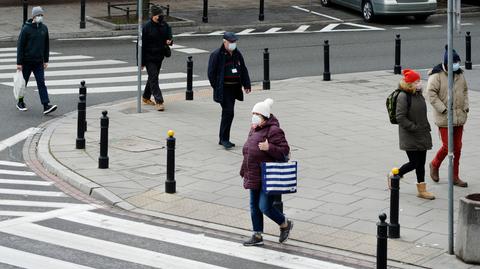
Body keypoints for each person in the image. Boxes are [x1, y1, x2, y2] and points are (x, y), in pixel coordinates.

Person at [240, 98, 293, 246]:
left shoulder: (274, 130)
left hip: (267, 176)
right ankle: (257, 235)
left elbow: (285, 151)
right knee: (253, 205)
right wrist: (244, 170)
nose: (254, 117)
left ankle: (284, 223)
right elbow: (248, 150)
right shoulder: (254, 128)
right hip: (253, 173)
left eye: (257, 114)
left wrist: (269, 148)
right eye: (253, 114)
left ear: (264, 116)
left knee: (264, 206)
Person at [388, 69, 435, 200]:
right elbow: (400, 117)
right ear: (409, 84)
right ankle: (395, 173)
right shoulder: (404, 96)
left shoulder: (417, 94)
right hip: (410, 135)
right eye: (417, 81)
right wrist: (413, 127)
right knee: (414, 162)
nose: (420, 83)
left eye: (419, 81)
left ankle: (422, 190)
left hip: (422, 133)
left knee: (421, 164)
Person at [426, 47, 469, 187]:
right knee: (448, 146)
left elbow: (465, 90)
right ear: (446, 63)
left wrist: (466, 106)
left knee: (458, 147)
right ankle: (434, 164)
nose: (457, 65)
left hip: (459, 116)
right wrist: (443, 109)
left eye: (458, 62)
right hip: (445, 118)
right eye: (454, 62)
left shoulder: (460, 74)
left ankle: (455, 176)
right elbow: (431, 94)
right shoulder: (436, 76)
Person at [208, 32, 251, 149]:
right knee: (229, 112)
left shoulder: (237, 54)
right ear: (224, 42)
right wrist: (216, 87)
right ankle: (224, 139)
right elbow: (211, 73)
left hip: (234, 88)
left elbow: (243, 69)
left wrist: (247, 84)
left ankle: (223, 138)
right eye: (231, 42)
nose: (233, 44)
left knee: (228, 113)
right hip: (224, 89)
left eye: (234, 42)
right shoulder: (217, 54)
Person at [16, 6, 57, 115]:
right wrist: (19, 63)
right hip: (27, 62)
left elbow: (46, 45)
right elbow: (20, 46)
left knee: (41, 83)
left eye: (41, 15)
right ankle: (20, 102)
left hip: (39, 62)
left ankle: (46, 105)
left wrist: (46, 60)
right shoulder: (26, 29)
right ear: (33, 16)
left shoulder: (44, 28)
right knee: (23, 84)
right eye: (38, 15)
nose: (40, 17)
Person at [141, 5, 172, 111]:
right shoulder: (147, 27)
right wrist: (141, 62)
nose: (160, 17)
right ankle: (159, 101)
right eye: (158, 15)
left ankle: (145, 97)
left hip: (159, 56)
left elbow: (169, 35)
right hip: (149, 57)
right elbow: (142, 45)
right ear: (153, 16)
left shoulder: (164, 25)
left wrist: (170, 40)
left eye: (161, 15)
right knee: (154, 78)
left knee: (152, 78)